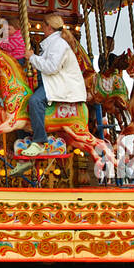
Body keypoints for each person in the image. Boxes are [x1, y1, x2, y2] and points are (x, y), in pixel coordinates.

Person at [20, 13, 88, 160]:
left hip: (60, 85)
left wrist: (32, 57)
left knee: (35, 101)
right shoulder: (52, 43)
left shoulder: (58, 44)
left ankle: (39, 141)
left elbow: (51, 67)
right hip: (51, 81)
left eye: (43, 26)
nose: (42, 28)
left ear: (49, 27)